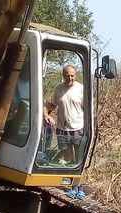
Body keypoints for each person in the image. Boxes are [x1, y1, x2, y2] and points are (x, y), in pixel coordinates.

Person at [45, 65, 86, 200]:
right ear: (63, 75)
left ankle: (79, 187)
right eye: (68, 75)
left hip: (78, 129)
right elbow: (52, 104)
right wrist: (46, 114)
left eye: (72, 75)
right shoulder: (58, 88)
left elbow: (87, 108)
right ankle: (71, 187)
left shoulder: (81, 89)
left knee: (79, 160)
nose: (70, 78)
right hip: (63, 130)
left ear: (76, 75)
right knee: (68, 160)